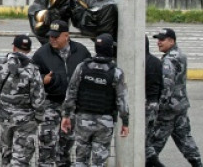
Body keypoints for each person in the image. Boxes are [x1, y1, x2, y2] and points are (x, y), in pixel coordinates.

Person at [60, 33, 129, 167]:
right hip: (105, 121)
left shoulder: (82, 67)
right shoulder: (116, 72)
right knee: (99, 162)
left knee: (80, 160)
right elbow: (122, 100)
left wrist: (66, 115)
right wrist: (125, 122)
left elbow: (71, 92)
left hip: (83, 119)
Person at [31, 19, 91, 167]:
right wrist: (42, 81)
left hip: (71, 106)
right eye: (51, 36)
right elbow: (31, 79)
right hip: (51, 103)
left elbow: (89, 73)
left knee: (66, 143)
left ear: (66, 36)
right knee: (47, 142)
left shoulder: (81, 52)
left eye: (56, 36)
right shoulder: (41, 54)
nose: (52, 39)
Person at [147, 28, 203, 167]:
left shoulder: (168, 60)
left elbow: (167, 85)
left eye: (162, 40)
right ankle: (197, 163)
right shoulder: (180, 55)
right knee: (184, 138)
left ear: (171, 41)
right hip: (181, 105)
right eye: (158, 40)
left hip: (168, 110)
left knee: (153, 144)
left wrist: (159, 107)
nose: (159, 43)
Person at [0, 34, 45, 167]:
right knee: (20, 158)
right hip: (25, 119)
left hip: (5, 117)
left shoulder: (1, 64)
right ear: (29, 50)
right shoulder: (32, 69)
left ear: (14, 47)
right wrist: (38, 117)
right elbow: (38, 98)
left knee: (6, 155)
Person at [144, 37, 165, 167]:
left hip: (144, 104)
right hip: (154, 104)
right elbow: (162, 85)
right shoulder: (156, 62)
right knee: (147, 138)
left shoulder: (139, 62)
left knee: (143, 141)